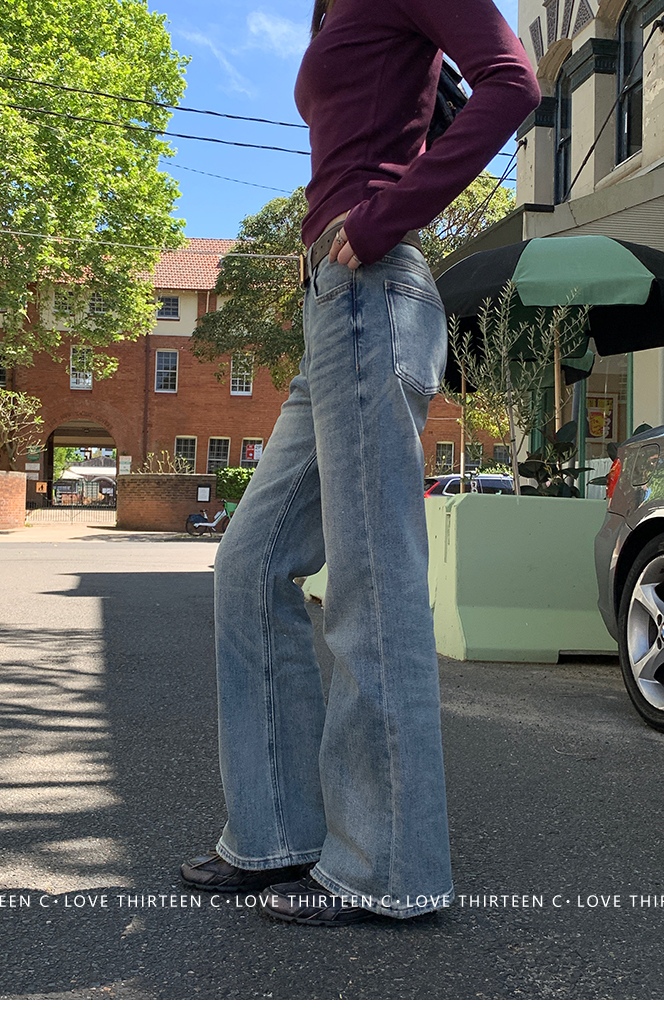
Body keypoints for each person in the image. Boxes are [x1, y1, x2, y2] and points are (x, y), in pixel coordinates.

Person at [182, 0, 541, 924]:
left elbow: (513, 81)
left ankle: (387, 867)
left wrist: (388, 214)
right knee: (248, 565)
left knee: (373, 584)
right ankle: (275, 832)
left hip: (372, 290)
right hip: (333, 301)